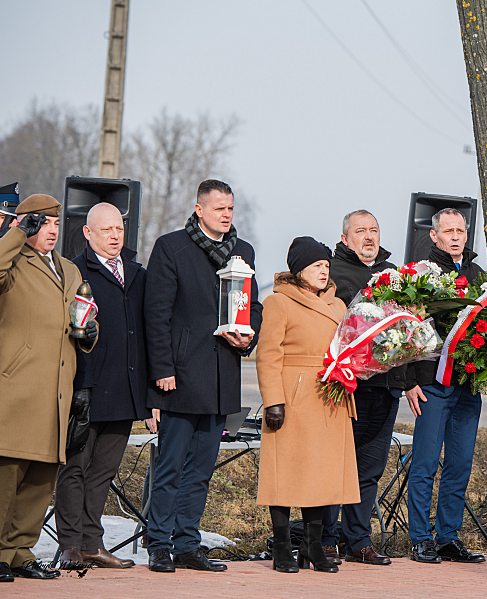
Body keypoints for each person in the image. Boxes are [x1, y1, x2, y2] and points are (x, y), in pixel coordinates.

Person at [144, 179, 262, 573]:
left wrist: (248, 335)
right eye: (219, 208)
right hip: (179, 377)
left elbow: (253, 306)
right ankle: (159, 544)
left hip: (220, 377)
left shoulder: (243, 251)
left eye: (230, 208)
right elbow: (156, 314)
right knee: (170, 467)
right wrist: (162, 369)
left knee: (200, 471)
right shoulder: (171, 247)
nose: (226, 215)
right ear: (199, 209)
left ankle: (187, 544)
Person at [0, 194, 98, 582]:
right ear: (25, 224)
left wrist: (89, 332)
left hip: (57, 392)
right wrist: (13, 236)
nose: (52, 230)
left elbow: (82, 315)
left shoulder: (68, 269)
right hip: (16, 390)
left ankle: (19, 551)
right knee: (7, 474)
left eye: (56, 224)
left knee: (41, 479)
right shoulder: (12, 262)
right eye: (42, 223)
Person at [256, 236, 359, 574]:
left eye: (326, 265)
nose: (323, 271)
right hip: (293, 394)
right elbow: (268, 355)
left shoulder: (338, 305)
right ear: (299, 269)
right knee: (285, 472)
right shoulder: (278, 303)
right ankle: (282, 546)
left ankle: (313, 546)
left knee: (320, 475)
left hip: (329, 395)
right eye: (316, 265)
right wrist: (274, 401)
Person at [55, 203, 149, 569]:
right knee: (74, 468)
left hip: (124, 390)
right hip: (86, 389)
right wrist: (80, 386)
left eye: (119, 229)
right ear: (88, 232)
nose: (114, 236)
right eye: (106, 230)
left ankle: (92, 543)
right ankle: (70, 544)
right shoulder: (75, 272)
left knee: (102, 472)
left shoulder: (137, 274)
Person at [322, 210, 418, 566]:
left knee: (369, 468)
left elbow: (408, 329)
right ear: (345, 238)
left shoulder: (394, 275)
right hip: (348, 387)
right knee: (337, 465)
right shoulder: (333, 273)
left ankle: (358, 540)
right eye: (360, 231)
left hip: (385, 387)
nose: (368, 237)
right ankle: (326, 539)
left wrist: (407, 379)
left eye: (374, 230)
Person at [405, 207, 486, 564]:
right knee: (425, 462)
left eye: (461, 231)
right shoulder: (421, 274)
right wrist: (409, 381)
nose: (455, 237)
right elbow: (405, 328)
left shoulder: (477, 274)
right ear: (434, 235)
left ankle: (448, 537)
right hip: (432, 383)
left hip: (467, 384)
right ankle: (420, 538)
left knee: (460, 463)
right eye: (448, 231)